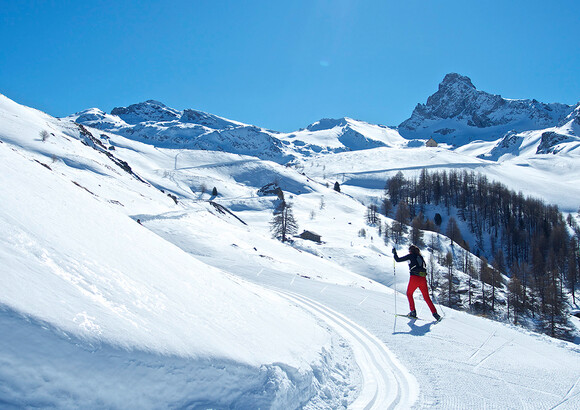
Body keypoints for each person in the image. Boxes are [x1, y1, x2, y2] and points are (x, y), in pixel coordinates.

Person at [392, 244, 441, 321]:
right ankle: (435, 314)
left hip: (414, 278)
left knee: (409, 294)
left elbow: (398, 260)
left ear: (410, 251)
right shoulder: (420, 257)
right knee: (427, 297)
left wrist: (394, 253)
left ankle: (413, 312)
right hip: (423, 278)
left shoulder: (410, 256)